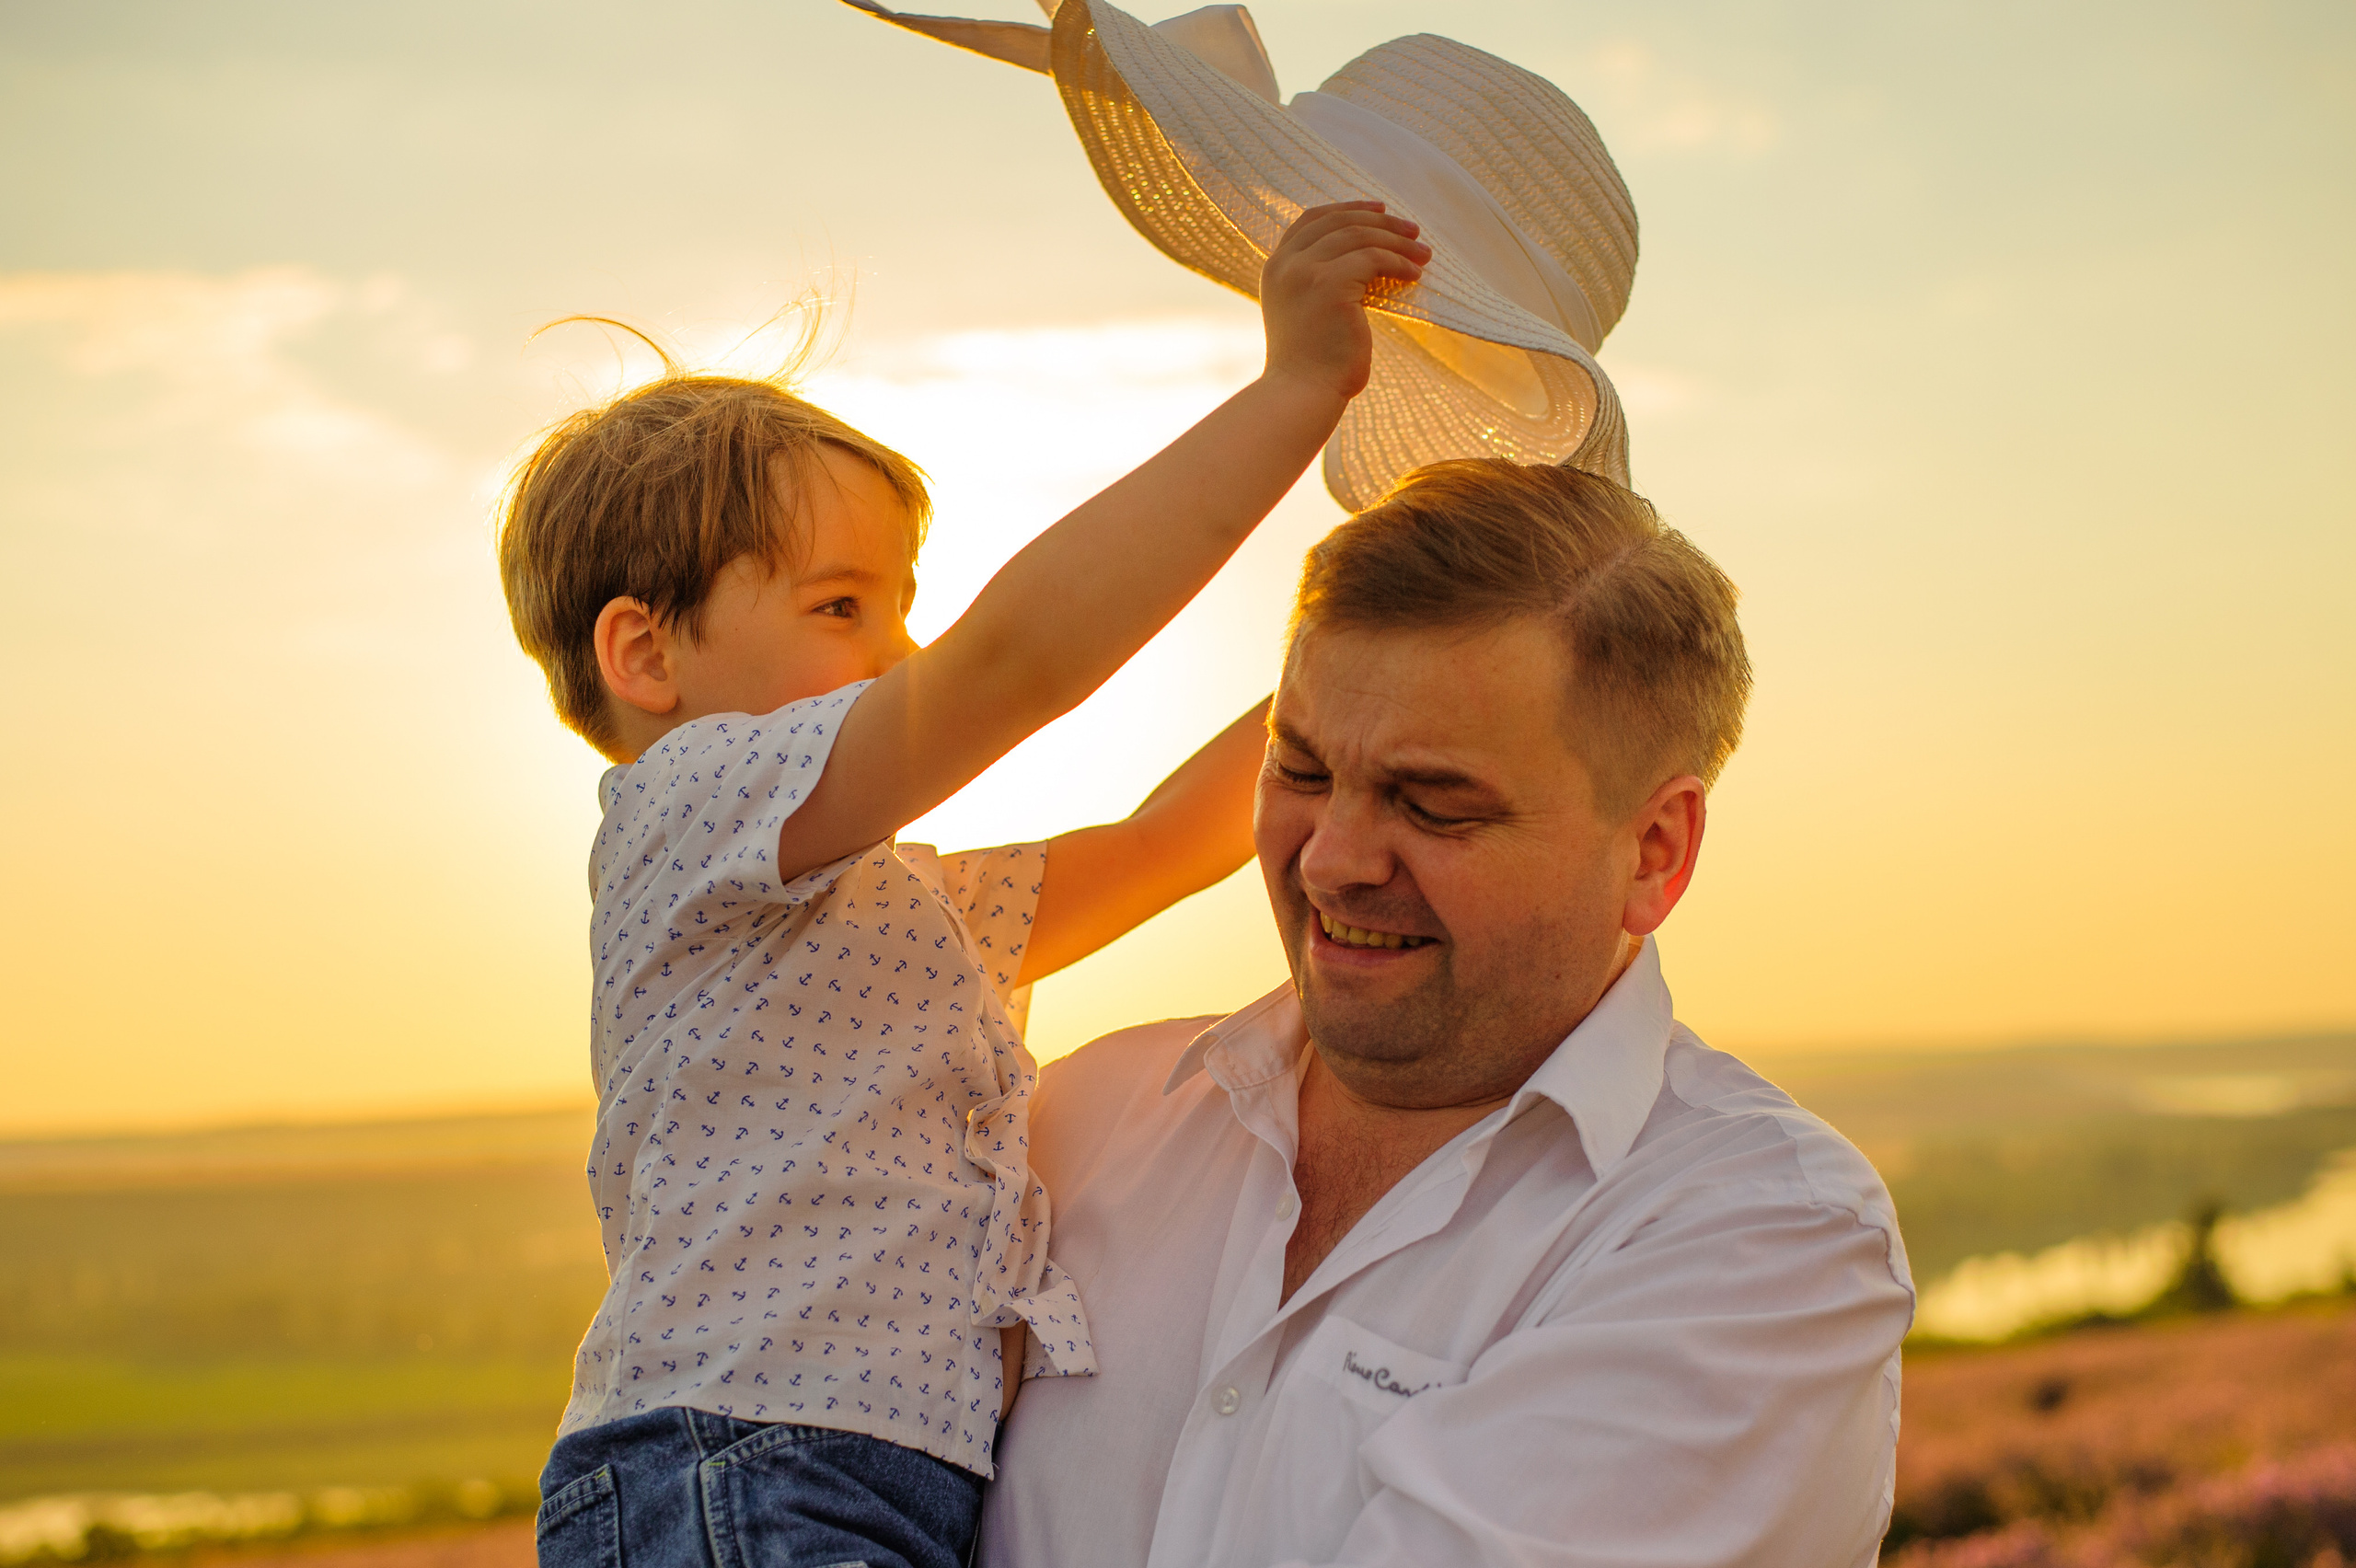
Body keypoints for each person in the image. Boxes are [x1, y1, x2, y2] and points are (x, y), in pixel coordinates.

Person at [496, 200, 1429, 1568]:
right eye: (842, 606)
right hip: (737, 1467)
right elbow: (1010, 665)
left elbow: (1167, 844)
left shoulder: (892, 908)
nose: (902, 650)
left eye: (902, 605)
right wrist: (1295, 391)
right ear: (646, 656)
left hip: (847, 1482)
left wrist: (1389, 634)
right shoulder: (683, 810)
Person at [980, 460, 1917, 1568]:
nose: (1332, 860)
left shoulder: (1761, 1239)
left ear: (1653, 852)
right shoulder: (1074, 1120)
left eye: (1431, 805)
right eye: (1301, 771)